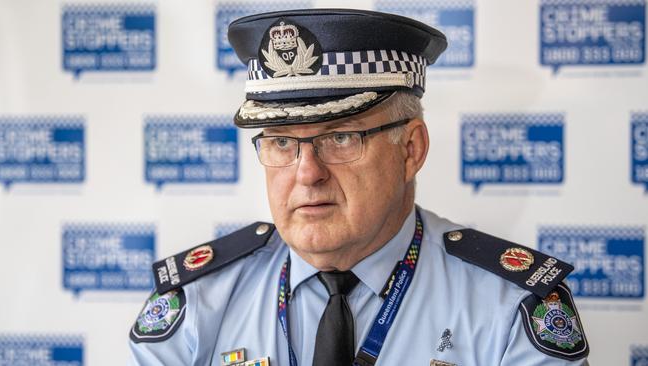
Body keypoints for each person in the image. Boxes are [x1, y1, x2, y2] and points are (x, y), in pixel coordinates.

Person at [128, 9, 589, 366]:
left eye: (340, 137)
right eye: (282, 141)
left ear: (411, 149)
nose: (307, 172)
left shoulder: (512, 306)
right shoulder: (197, 301)